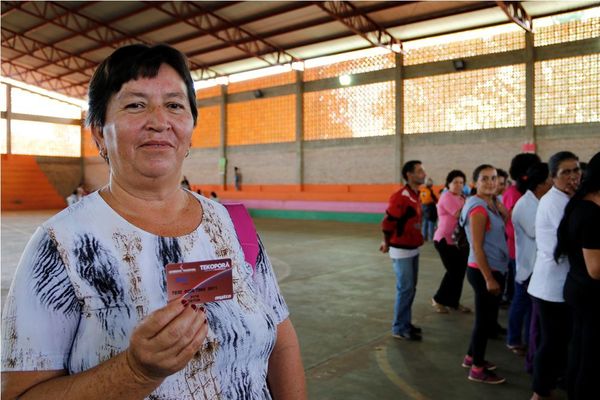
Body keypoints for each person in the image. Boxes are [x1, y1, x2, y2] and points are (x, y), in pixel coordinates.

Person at [1, 44, 306, 400]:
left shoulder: (230, 224)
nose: (159, 121)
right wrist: (134, 371)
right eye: (135, 104)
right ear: (99, 132)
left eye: (175, 105)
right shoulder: (61, 244)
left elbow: (281, 341)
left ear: (190, 127)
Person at [528, 151, 581, 400]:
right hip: (551, 286)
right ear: (552, 178)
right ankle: (540, 392)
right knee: (551, 344)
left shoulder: (569, 198)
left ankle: (551, 382)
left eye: (576, 170)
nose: (573, 176)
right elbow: (572, 242)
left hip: (562, 283)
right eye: (566, 172)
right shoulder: (553, 203)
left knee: (560, 342)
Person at [555, 151, 600, 400]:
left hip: (580, 288)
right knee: (589, 357)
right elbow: (596, 269)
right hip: (588, 293)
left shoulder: (582, 205)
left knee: (581, 350)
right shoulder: (590, 213)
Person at [460, 164, 509, 384]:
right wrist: (489, 278)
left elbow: (507, 221)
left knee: (486, 319)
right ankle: (477, 370)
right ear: (475, 183)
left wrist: (496, 202)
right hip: (484, 271)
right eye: (484, 179)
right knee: (484, 322)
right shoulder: (478, 209)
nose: (490, 182)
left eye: (494, 178)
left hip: (493, 267)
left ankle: (471, 357)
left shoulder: (490, 204)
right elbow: (477, 247)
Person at [507, 163, 552, 356]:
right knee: (521, 304)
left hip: (537, 263)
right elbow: (536, 232)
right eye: (552, 178)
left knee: (529, 307)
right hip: (529, 265)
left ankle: (526, 339)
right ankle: (514, 340)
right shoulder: (525, 204)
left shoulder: (540, 200)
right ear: (542, 183)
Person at [380, 160, 426, 341]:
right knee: (405, 289)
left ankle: (406, 323)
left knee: (411, 289)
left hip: (413, 247)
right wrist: (386, 242)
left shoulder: (416, 195)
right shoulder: (400, 196)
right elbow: (387, 222)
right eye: (420, 171)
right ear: (409, 175)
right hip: (401, 249)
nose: (424, 173)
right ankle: (399, 327)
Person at [501, 154, 541, 308]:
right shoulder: (514, 194)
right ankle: (515, 332)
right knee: (520, 295)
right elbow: (510, 228)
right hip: (517, 250)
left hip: (525, 249)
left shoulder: (523, 192)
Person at [431, 170, 470, 314]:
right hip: (444, 240)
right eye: (455, 182)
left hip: (458, 242)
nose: (459, 185)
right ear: (448, 184)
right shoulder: (446, 196)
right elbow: (459, 214)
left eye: (461, 182)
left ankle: (453, 302)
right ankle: (438, 299)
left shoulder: (462, 197)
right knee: (453, 271)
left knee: (459, 273)